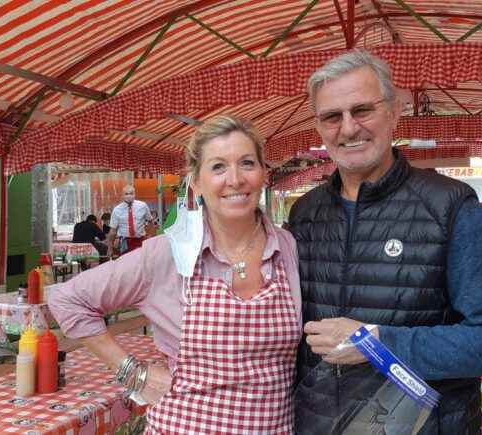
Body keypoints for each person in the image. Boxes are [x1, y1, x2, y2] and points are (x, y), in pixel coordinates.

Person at [287, 49, 482, 434]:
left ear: (395, 111)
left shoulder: (450, 206)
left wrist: (377, 343)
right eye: (332, 116)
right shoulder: (305, 214)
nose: (347, 129)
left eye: (361, 110)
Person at [49, 115, 302, 433]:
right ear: (196, 182)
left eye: (247, 163)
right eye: (218, 167)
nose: (235, 179)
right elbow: (66, 299)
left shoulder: (287, 248)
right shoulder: (165, 254)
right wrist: (131, 371)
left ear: (265, 174)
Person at [106, 185, 152, 254]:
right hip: (124, 242)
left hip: (140, 241)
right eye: (126, 194)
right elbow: (113, 231)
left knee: (140, 263)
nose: (129, 196)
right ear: (122, 195)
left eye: (131, 193)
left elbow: (150, 221)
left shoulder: (143, 206)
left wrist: (149, 236)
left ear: (135, 194)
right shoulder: (117, 210)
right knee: (126, 263)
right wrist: (110, 248)